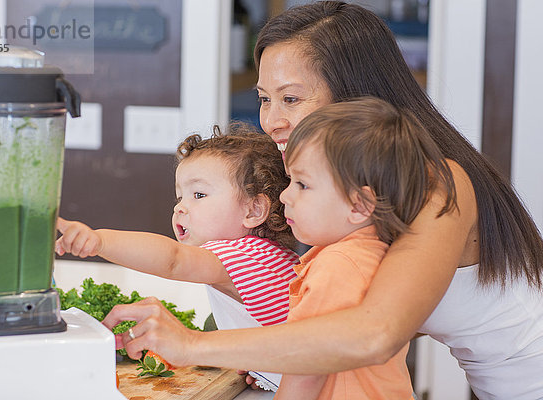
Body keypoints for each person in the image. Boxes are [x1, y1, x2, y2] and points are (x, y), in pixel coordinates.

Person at [101, 2, 543, 399]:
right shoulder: (348, 187)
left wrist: (191, 343)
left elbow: (376, 333)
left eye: (291, 99)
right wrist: (276, 355)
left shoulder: (434, 183)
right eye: (264, 99)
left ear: (357, 98)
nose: (272, 121)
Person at [56, 124, 299, 391]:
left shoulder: (246, 255)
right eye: (179, 196)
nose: (180, 207)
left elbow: (173, 259)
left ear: (253, 210)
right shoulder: (266, 256)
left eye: (199, 195)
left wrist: (98, 241)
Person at [275, 97, 449, 399]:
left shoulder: (337, 265)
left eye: (302, 185)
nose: (284, 196)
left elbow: (306, 366)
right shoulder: (369, 252)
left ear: (359, 205)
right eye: (290, 180)